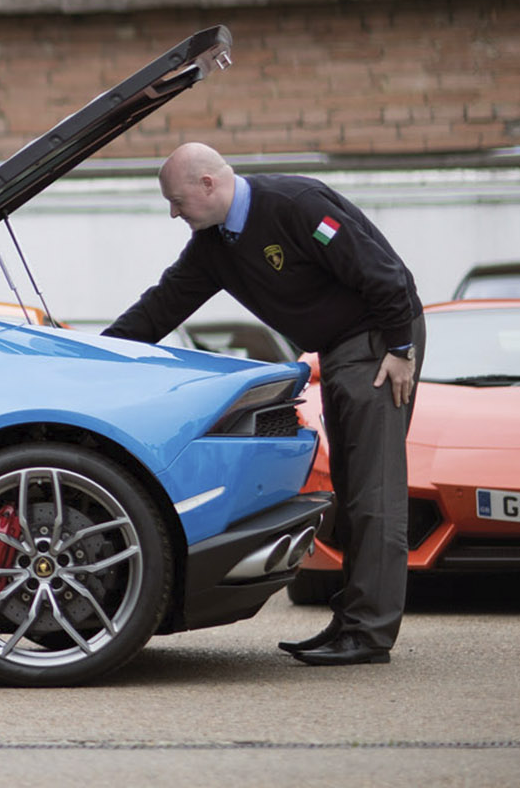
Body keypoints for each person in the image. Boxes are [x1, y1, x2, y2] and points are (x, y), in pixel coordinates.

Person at [103, 143, 423, 666]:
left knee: (373, 487)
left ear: (208, 184)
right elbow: (163, 305)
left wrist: (401, 348)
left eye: (176, 200)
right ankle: (351, 623)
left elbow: (381, 271)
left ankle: (367, 634)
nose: (172, 212)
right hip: (342, 346)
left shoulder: (295, 204)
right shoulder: (215, 246)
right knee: (350, 481)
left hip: (379, 339)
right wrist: (100, 352)